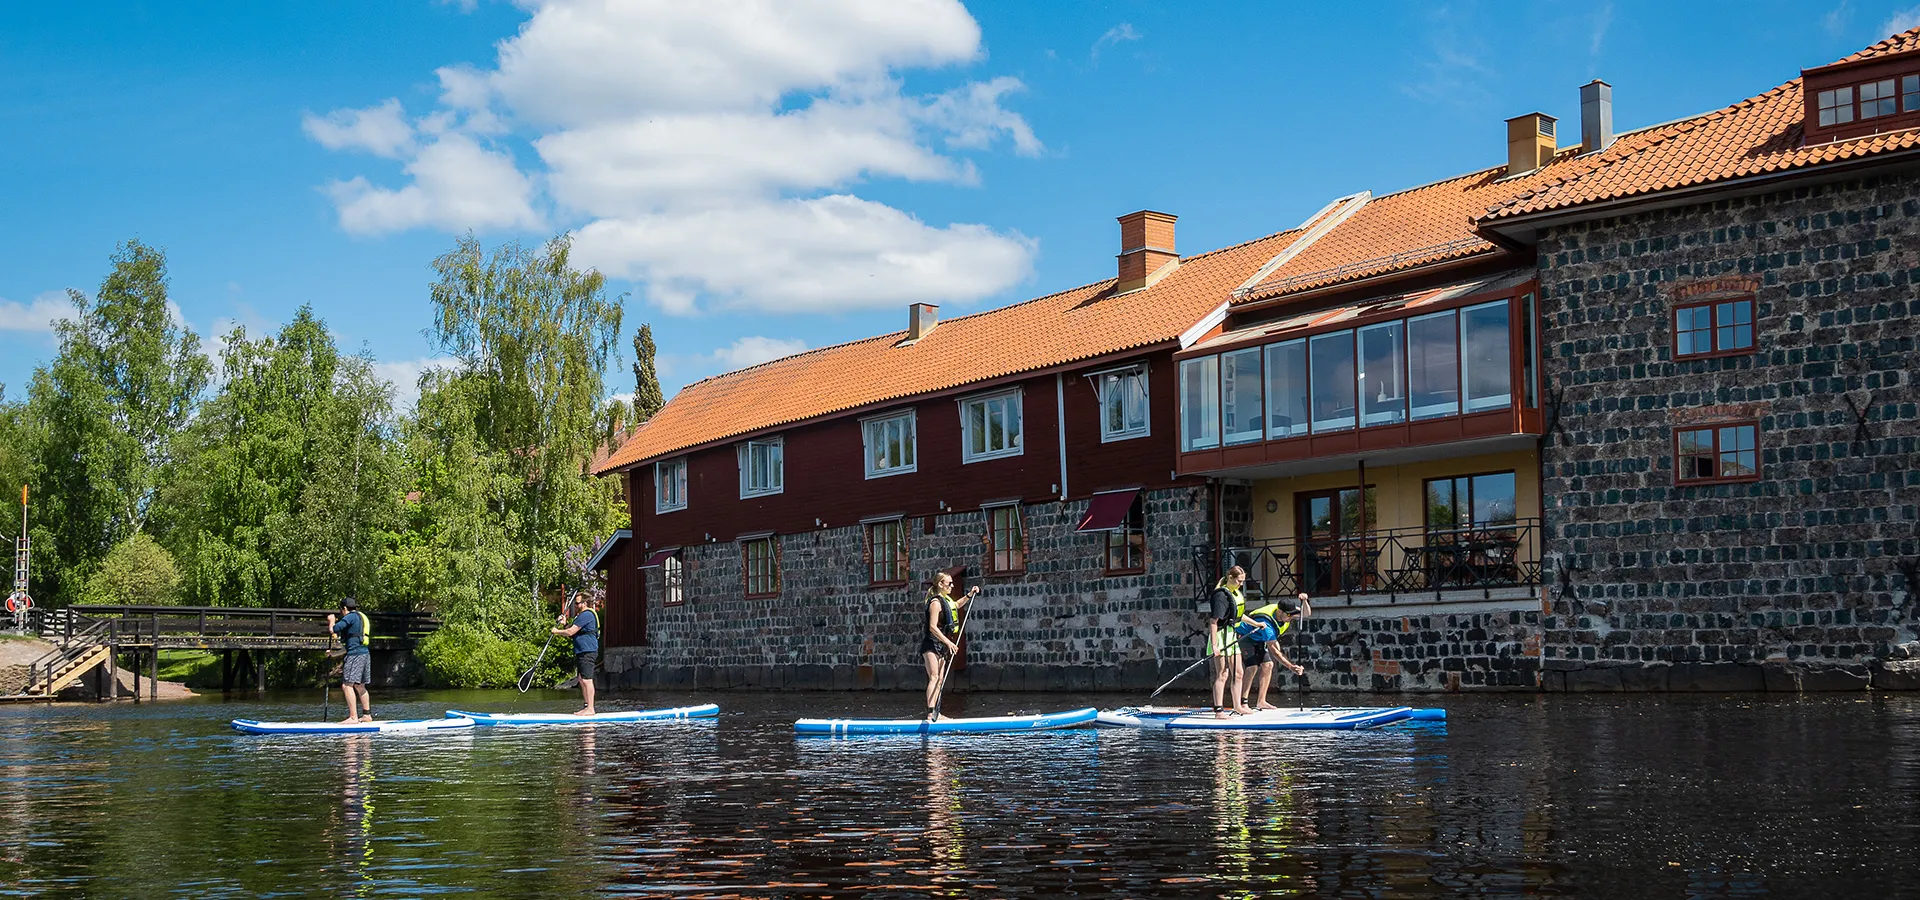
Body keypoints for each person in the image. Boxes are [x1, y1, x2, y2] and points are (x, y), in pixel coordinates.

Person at [920, 572, 978, 719]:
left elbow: (956, 605)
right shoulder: (935, 603)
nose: (952, 586)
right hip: (931, 644)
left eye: (952, 583)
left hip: (941, 645)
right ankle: (930, 712)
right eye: (949, 583)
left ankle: (937, 714)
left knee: (940, 679)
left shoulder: (946, 600)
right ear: (940, 584)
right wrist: (949, 642)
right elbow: (932, 627)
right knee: (934, 677)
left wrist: (969, 595)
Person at [1239, 596, 1307, 711]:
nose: (1291, 618)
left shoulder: (1288, 610)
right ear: (1279, 612)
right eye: (1289, 615)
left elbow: (1305, 613)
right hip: (1245, 636)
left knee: (1268, 665)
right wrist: (1291, 667)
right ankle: (1243, 702)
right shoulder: (1267, 625)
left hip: (1259, 638)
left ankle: (1261, 701)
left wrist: (1305, 601)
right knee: (1252, 667)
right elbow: (1275, 651)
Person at [1207, 566, 1250, 718]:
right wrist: (1214, 645)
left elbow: (1239, 615)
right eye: (1239, 581)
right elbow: (1213, 621)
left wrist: (1257, 624)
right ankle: (1219, 711)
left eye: (1243, 582)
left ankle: (1238, 706)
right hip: (1220, 637)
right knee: (1223, 674)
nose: (1241, 584)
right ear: (1230, 578)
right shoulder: (1221, 596)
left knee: (1239, 672)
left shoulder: (1235, 594)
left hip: (1231, 636)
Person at [551, 593, 601, 715]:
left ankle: (590, 709)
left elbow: (570, 632)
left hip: (587, 651)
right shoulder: (582, 616)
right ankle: (586, 706)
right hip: (582, 651)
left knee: (587, 680)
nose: (576, 605)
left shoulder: (587, 615)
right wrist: (565, 623)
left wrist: (556, 631)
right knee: (581, 679)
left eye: (578, 603)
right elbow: (574, 630)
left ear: (585, 603)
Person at [327, 598, 373, 723]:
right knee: (360, 685)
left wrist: (331, 621)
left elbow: (334, 629)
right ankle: (367, 715)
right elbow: (349, 646)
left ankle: (353, 717)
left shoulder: (349, 617)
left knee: (347, 685)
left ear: (344, 609)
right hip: (364, 654)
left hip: (355, 656)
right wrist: (333, 654)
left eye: (341, 610)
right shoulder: (360, 617)